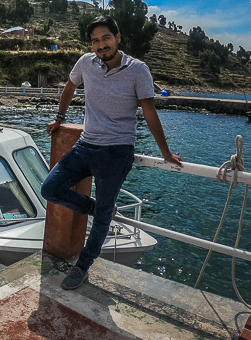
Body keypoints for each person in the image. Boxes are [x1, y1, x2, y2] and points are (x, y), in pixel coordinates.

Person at [41, 16, 182, 290]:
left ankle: (82, 265)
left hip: (117, 151)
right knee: (50, 189)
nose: (100, 44)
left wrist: (165, 151)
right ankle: (98, 210)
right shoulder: (85, 63)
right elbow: (70, 87)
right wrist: (59, 117)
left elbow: (149, 111)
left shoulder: (138, 70)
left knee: (103, 216)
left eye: (106, 38)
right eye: (95, 40)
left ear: (118, 37)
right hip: (85, 145)